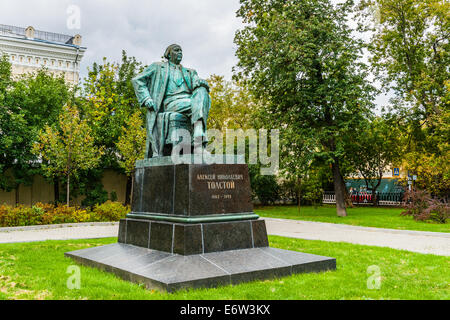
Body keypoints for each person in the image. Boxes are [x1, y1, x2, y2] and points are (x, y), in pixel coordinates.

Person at [132, 44, 211, 158]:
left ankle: (198, 135)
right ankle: (199, 143)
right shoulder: (157, 67)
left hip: (190, 102)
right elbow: (137, 80)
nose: (180, 52)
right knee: (199, 101)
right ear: (168, 54)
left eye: (181, 51)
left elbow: (197, 83)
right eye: (176, 50)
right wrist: (146, 98)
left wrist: (202, 83)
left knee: (202, 92)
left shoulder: (190, 72)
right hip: (170, 103)